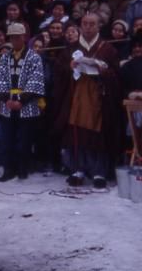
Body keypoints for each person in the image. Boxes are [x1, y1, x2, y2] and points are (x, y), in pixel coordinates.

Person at [51, 13, 121, 188]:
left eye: (92, 24)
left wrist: (103, 71)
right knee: (76, 132)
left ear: (99, 27)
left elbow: (117, 74)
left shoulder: (107, 49)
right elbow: (59, 70)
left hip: (99, 97)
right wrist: (70, 67)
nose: (88, 27)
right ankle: (77, 169)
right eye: (85, 24)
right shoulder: (70, 49)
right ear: (81, 26)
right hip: (76, 96)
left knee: (98, 135)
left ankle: (99, 172)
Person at [0, 23, 45, 181]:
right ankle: (9, 169)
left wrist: (22, 99)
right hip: (8, 103)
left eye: (17, 37)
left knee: (24, 139)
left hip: (27, 104)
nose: (15, 40)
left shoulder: (34, 57)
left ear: (24, 37)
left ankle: (23, 168)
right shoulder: (5, 57)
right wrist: (6, 99)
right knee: (7, 139)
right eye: (12, 37)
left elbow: (36, 80)